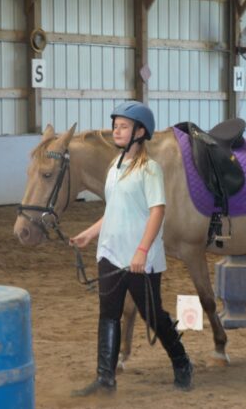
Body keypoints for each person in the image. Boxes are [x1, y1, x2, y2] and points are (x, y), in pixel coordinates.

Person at [69, 101, 193, 396]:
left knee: (153, 315)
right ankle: (105, 378)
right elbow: (115, 209)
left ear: (140, 132)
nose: (116, 130)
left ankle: (182, 362)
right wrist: (89, 234)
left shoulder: (150, 170)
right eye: (116, 126)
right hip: (110, 252)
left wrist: (142, 250)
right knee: (108, 313)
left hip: (139, 258)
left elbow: (157, 211)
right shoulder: (115, 166)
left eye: (123, 126)